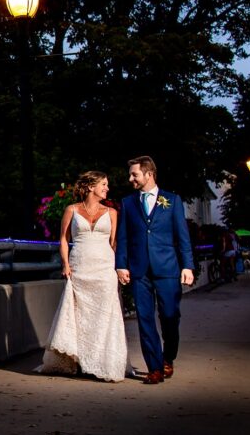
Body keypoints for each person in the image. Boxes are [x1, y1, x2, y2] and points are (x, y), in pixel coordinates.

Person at [38, 170, 128, 382]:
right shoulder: (72, 210)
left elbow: (114, 243)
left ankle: (102, 361)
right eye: (103, 184)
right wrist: (66, 264)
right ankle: (79, 361)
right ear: (90, 187)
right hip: (80, 267)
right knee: (80, 316)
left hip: (104, 269)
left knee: (103, 314)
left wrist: (119, 268)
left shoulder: (112, 212)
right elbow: (63, 238)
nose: (107, 188)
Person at [116, 156, 194, 385]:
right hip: (139, 270)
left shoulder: (172, 200)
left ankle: (168, 357)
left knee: (170, 316)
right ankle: (155, 367)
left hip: (168, 268)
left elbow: (183, 236)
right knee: (144, 319)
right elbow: (123, 237)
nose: (130, 179)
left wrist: (187, 265)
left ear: (148, 174)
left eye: (134, 174)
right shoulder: (128, 203)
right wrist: (121, 264)